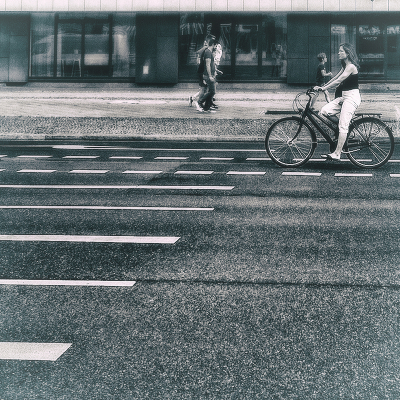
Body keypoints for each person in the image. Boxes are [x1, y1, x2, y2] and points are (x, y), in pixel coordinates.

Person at [314, 43, 361, 161]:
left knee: (342, 126)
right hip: (344, 97)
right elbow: (335, 78)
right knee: (324, 111)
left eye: (341, 51)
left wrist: (324, 88)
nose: (338, 53)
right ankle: (344, 128)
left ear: (348, 53)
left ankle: (337, 153)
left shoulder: (351, 66)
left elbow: (339, 80)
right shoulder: (345, 65)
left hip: (352, 97)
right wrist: (322, 87)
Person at [189, 35, 215, 111]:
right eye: (212, 40)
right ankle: (199, 104)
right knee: (203, 89)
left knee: (206, 89)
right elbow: (200, 59)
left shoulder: (207, 50)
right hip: (203, 72)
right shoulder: (205, 49)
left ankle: (199, 101)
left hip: (204, 72)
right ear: (209, 41)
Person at [197, 37, 219, 112]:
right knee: (212, 91)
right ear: (213, 44)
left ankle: (207, 107)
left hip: (210, 75)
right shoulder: (208, 52)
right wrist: (210, 76)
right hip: (208, 75)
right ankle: (200, 102)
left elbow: (211, 64)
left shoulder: (209, 52)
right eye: (216, 45)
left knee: (211, 91)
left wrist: (216, 70)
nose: (216, 47)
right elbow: (207, 65)